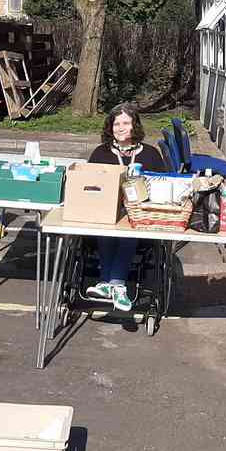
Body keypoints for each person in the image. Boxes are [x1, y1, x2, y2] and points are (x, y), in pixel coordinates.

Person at [86, 102, 165, 311]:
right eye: (116, 123)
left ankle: (112, 284)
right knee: (106, 229)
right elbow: (89, 185)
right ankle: (115, 286)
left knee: (129, 230)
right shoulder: (100, 153)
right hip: (106, 213)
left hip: (139, 215)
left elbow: (162, 184)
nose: (120, 128)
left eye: (125, 123)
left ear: (135, 126)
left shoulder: (150, 154)